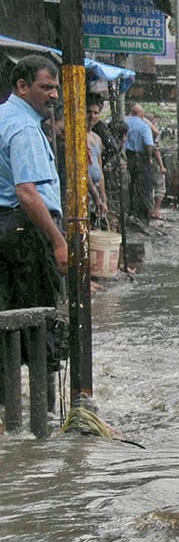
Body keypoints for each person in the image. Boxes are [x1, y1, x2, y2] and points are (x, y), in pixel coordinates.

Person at [0, 55, 67, 401]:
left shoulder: (3, 117)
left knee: (7, 321)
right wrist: (57, 242)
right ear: (22, 87)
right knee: (40, 324)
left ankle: (9, 416)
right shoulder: (24, 127)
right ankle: (47, 418)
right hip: (25, 233)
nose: (54, 95)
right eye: (46, 87)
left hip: (6, 230)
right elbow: (27, 193)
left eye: (55, 88)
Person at [124, 103, 155, 223]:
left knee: (130, 185)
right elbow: (149, 144)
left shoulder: (125, 123)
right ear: (142, 114)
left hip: (127, 156)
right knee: (143, 186)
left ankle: (132, 211)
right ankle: (142, 215)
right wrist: (149, 157)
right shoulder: (143, 126)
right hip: (140, 158)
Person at [85, 95, 109, 221]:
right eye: (88, 112)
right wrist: (96, 197)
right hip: (85, 190)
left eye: (95, 113)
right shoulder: (80, 137)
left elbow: (100, 171)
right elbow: (84, 170)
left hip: (96, 190)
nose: (92, 116)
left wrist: (103, 198)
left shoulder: (97, 138)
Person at [142, 111, 167, 220]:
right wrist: (162, 166)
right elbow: (155, 150)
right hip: (151, 161)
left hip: (141, 162)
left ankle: (148, 209)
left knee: (146, 186)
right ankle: (156, 210)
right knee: (159, 185)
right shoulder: (150, 130)